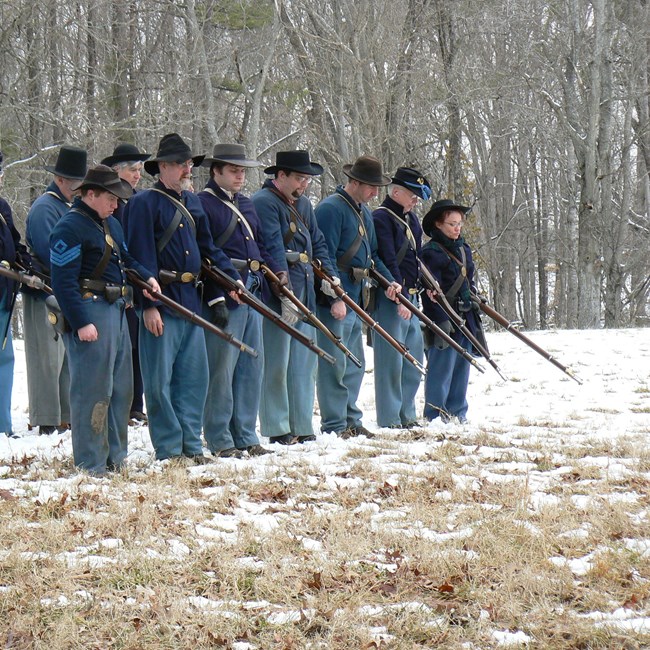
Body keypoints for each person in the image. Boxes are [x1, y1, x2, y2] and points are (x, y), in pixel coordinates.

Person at [122, 133, 242, 463]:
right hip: (163, 301)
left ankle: (191, 444)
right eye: (180, 164)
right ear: (162, 167)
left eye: (188, 163)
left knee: (193, 379)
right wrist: (149, 305)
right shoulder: (143, 203)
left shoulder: (193, 203)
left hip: (191, 300)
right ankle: (170, 448)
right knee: (160, 383)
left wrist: (232, 280)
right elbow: (139, 257)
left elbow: (209, 250)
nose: (187, 170)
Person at [49, 165, 160, 475]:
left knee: (121, 389)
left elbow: (126, 260)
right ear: (91, 194)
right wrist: (81, 321)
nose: (115, 204)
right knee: (91, 390)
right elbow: (63, 281)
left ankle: (115, 457)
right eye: (111, 198)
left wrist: (147, 278)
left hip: (116, 309)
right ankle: (91, 462)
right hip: (90, 310)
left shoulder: (110, 224)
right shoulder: (69, 227)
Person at [252, 150, 342, 445]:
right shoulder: (264, 202)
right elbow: (271, 247)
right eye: (299, 178)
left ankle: (302, 424)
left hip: (304, 289)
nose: (304, 184)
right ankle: (277, 427)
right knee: (277, 363)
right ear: (280, 176)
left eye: (306, 179)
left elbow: (318, 242)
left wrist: (330, 278)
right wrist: (283, 290)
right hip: (279, 293)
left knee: (304, 363)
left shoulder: (303, 203)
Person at [197, 144, 282, 458]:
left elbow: (260, 246)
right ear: (216, 171)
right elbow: (204, 255)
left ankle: (245, 434)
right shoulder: (203, 203)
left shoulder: (246, 204)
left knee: (251, 366)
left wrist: (276, 274)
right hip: (225, 289)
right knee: (222, 368)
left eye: (242, 171)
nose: (239, 176)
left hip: (252, 287)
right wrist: (217, 294)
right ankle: (219, 437)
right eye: (233, 170)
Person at [314, 155, 401, 439]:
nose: (376, 192)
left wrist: (390, 282)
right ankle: (335, 424)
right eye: (371, 186)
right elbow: (321, 256)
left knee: (354, 364)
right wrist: (332, 298)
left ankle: (351, 419)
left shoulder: (363, 212)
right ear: (355, 182)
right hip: (337, 297)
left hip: (356, 296)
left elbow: (373, 255)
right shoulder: (330, 209)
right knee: (335, 365)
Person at [24, 145, 87, 435]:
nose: (78, 189)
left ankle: (64, 416)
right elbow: (50, 253)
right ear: (60, 179)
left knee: (63, 360)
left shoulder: (66, 206)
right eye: (75, 183)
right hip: (44, 290)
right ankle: (47, 419)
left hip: (63, 291)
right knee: (46, 360)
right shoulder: (44, 208)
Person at [372, 167, 431, 429]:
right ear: (396, 192)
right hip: (392, 297)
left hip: (411, 297)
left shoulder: (412, 219)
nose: (415, 200)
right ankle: (389, 418)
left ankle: (407, 414)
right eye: (411, 195)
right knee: (390, 362)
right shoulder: (381, 218)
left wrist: (424, 286)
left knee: (413, 359)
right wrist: (402, 297)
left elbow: (414, 261)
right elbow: (386, 258)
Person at [101, 143, 151, 425]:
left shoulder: (139, 200)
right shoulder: (112, 204)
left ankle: (136, 404)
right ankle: (126, 405)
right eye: (133, 170)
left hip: (137, 274)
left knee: (137, 346)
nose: (137, 176)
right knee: (125, 347)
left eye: (139, 170)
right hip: (119, 281)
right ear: (118, 171)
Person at [420, 199, 482, 423]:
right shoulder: (430, 253)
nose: (456, 229)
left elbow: (469, 280)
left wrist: (474, 299)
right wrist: (439, 320)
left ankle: (457, 411)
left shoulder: (464, 249)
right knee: (441, 367)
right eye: (451, 224)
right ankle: (436, 413)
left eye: (459, 224)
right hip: (442, 316)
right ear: (438, 225)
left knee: (462, 365)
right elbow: (430, 291)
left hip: (464, 316)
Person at [0, 151, 31, 438]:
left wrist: (25, 262)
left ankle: (2, 425)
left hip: (4, 293)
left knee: (5, 358)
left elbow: (14, 242)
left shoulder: (2, 207)